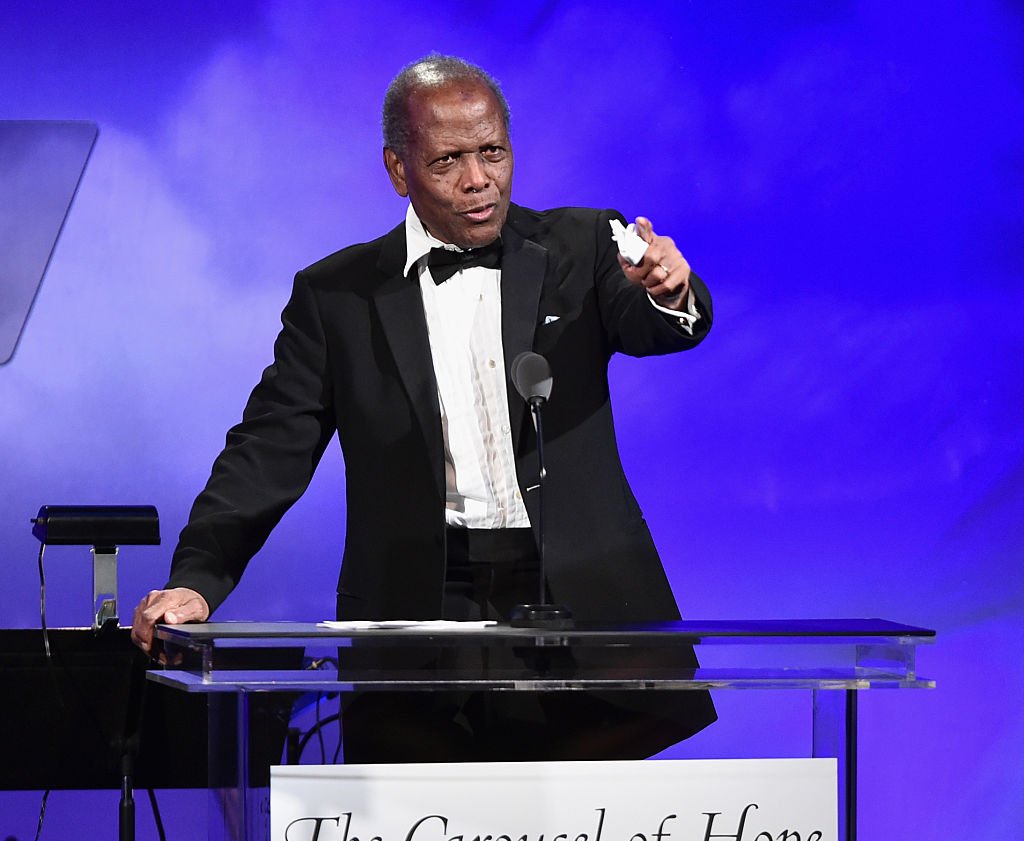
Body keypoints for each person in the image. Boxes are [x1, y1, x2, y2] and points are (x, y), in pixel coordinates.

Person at [132, 53, 716, 761]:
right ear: (399, 170)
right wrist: (197, 579)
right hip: (421, 609)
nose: (478, 181)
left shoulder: (584, 244)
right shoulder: (337, 296)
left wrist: (669, 291)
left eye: (492, 152)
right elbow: (268, 450)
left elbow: (655, 323)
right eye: (448, 161)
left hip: (582, 602)